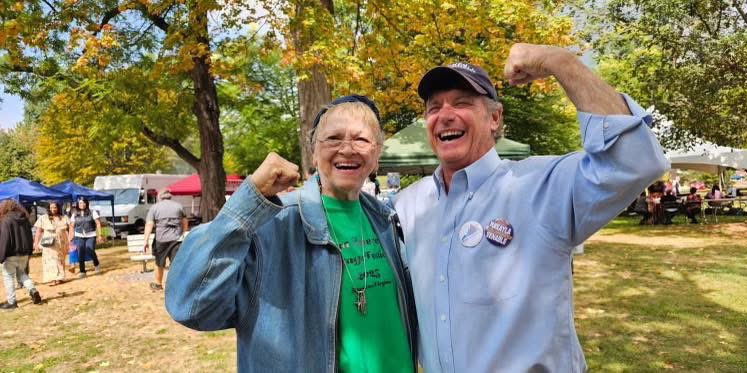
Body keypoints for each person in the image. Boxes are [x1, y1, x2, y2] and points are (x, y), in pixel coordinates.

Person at [391, 43, 669, 372]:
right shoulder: (409, 205)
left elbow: (636, 160)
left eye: (462, 103)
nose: (445, 115)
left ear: (494, 118)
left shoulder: (540, 185)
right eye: (433, 108)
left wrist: (559, 61)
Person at [165, 95, 416, 372]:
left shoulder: (387, 223)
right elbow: (191, 305)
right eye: (333, 138)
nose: (347, 149)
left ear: (377, 154)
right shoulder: (273, 223)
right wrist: (249, 201)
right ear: (313, 154)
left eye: (361, 140)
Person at [142, 190, 188, 291]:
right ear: (169, 197)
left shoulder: (154, 207)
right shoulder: (178, 206)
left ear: (159, 197)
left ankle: (158, 284)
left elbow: (149, 224)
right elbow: (184, 222)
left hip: (161, 239)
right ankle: (175, 285)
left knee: (159, 262)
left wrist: (145, 241)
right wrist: (182, 233)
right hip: (176, 239)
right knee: (176, 263)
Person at [0, 200, 42, 309]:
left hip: (11, 254)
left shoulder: (6, 220)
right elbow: (29, 237)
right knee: (22, 274)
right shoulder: (25, 220)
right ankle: (33, 290)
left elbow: (5, 239)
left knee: (8, 276)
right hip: (24, 253)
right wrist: (29, 252)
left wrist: (1, 256)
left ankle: (11, 302)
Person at [33, 201, 70, 286]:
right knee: (51, 260)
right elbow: (38, 231)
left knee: (61, 259)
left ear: (58, 208)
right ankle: (53, 278)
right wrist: (36, 243)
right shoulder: (43, 218)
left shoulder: (64, 217)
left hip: (62, 242)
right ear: (49, 208)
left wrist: (70, 239)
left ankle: (60, 277)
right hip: (48, 241)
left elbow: (70, 227)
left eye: (55, 207)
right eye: (51, 207)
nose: (53, 209)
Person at [68, 197, 103, 278]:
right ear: (78, 204)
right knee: (80, 252)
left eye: (84, 203)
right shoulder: (75, 214)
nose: (82, 204)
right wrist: (70, 236)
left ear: (86, 203)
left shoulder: (92, 212)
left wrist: (100, 235)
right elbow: (71, 226)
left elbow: (98, 223)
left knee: (89, 249)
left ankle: (96, 264)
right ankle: (82, 271)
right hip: (79, 235)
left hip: (91, 235)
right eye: (80, 203)